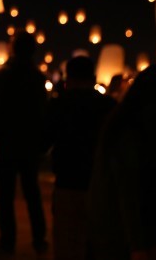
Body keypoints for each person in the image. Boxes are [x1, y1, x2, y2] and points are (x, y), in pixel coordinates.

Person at [87, 65, 156, 260]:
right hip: (125, 236)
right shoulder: (131, 131)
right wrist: (137, 245)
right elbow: (127, 189)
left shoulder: (143, 126)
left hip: (137, 232)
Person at [45, 55, 117, 260]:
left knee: (68, 244)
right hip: (101, 185)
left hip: (67, 183)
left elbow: (43, 141)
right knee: (98, 245)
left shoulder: (59, 105)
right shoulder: (109, 106)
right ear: (94, 77)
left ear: (68, 78)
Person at [0, 30, 49, 257]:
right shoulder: (37, 76)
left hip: (8, 141)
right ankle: (39, 239)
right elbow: (43, 112)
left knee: (5, 195)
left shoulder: (5, 76)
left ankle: (7, 242)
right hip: (29, 142)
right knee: (32, 192)